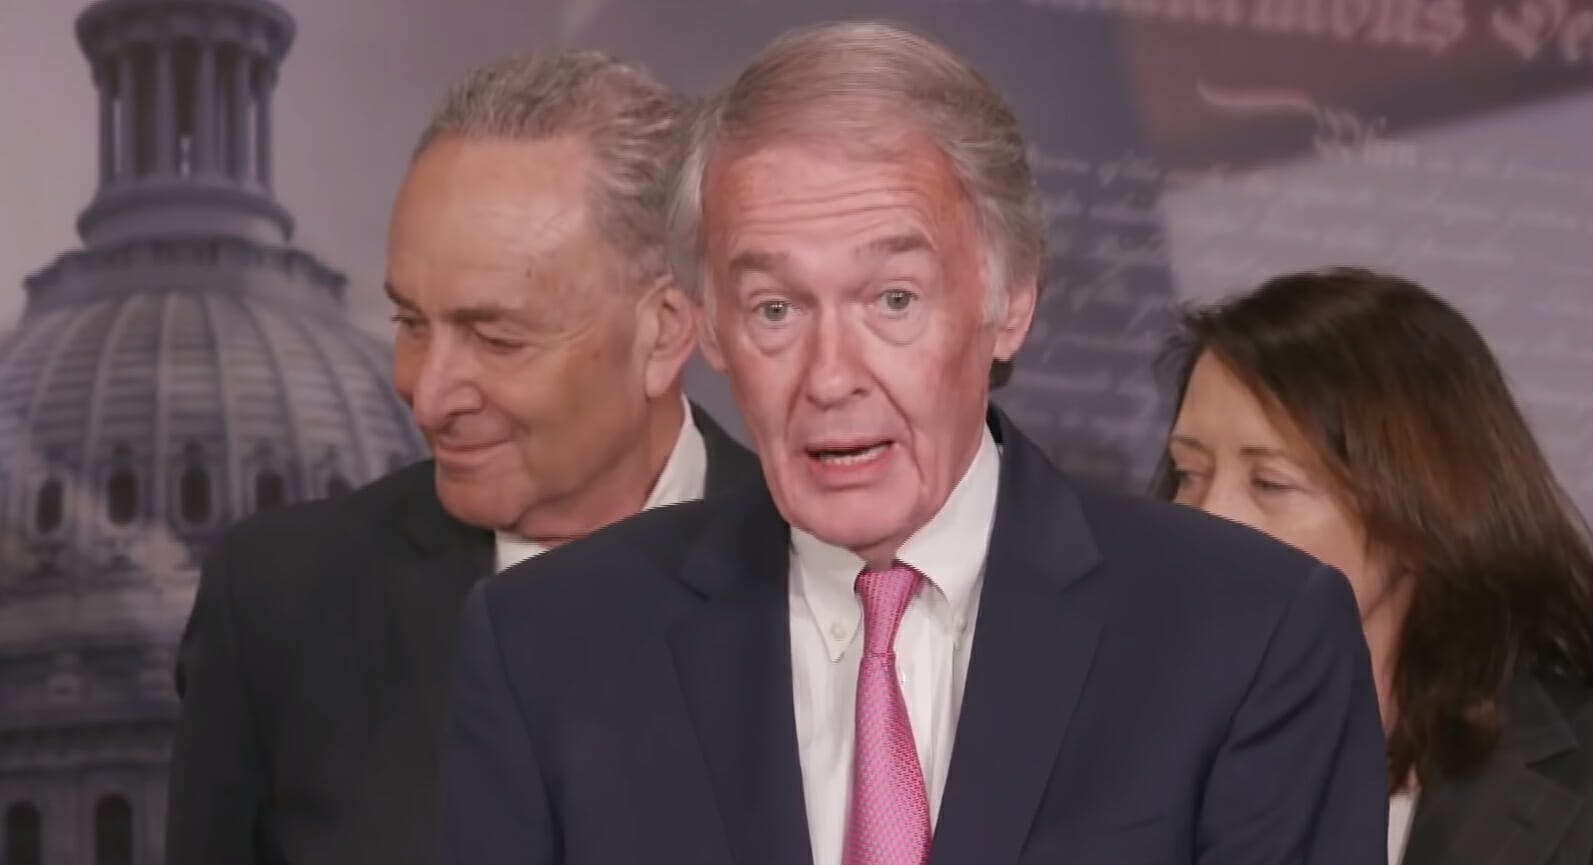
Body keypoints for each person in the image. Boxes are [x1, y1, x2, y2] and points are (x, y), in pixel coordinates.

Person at [437, 22, 1386, 865]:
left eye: (893, 298)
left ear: (1009, 302)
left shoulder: (1250, 634)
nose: (832, 375)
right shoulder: (545, 652)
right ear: (710, 332)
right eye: (776, 308)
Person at [164, 50, 758, 865]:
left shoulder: (844, 576)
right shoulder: (275, 608)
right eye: (410, 322)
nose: (427, 391)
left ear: (665, 329)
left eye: (495, 336)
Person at [1157, 266, 1593, 865]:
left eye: (1271, 482)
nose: (1207, 516)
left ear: (1418, 511)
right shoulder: (1119, 749)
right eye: (1189, 474)